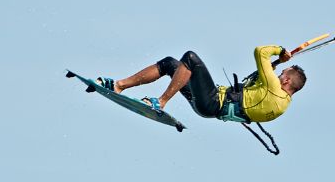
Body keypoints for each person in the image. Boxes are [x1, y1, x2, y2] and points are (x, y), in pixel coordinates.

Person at [97, 45, 306, 123]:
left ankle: (160, 102)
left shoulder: (272, 86)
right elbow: (257, 87)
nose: (278, 77)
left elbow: (260, 52)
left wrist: (280, 51)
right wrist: (278, 64)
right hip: (210, 108)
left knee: (190, 58)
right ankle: (119, 85)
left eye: (282, 76)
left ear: (286, 80)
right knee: (171, 64)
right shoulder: (281, 104)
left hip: (213, 101)